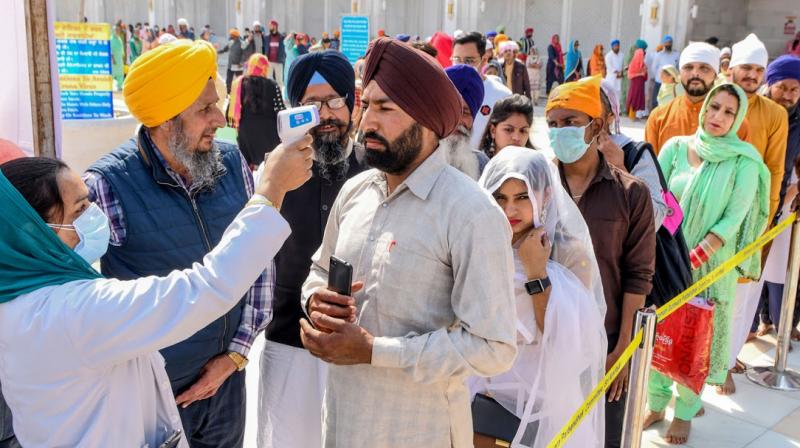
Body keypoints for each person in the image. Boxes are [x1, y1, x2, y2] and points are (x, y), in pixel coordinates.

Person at [0, 138, 310, 446]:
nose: (95, 215)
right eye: (80, 209)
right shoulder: (71, 312)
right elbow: (206, 287)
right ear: (32, 233)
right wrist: (271, 191)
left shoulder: (19, 301)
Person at [298, 37, 518, 447]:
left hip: (421, 430)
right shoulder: (356, 192)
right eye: (366, 106)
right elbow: (319, 270)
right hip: (343, 424)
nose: (365, 125)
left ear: (426, 121)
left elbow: (494, 347)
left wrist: (374, 351)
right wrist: (315, 301)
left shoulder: (470, 212)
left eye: (385, 109)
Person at [82, 40, 271, 447]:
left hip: (226, 384)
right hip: (152, 397)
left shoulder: (233, 162)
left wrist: (236, 355)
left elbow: (259, 261)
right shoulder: (107, 185)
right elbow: (80, 299)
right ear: (166, 120)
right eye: (204, 109)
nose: (219, 119)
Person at [644, 83, 770, 444]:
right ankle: (656, 401)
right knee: (660, 332)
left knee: (695, 340)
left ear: (739, 117)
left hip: (711, 268)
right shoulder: (676, 147)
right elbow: (655, 195)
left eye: (729, 112)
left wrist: (694, 257)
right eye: (714, 107)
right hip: (666, 260)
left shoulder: (743, 161)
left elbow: (734, 218)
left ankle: (685, 413)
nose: (718, 117)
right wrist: (668, 256)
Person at [258, 50, 367, 448]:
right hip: (288, 337)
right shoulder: (273, 171)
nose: (324, 115)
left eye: (334, 101)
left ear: (352, 105)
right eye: (311, 103)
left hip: (357, 342)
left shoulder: (375, 170)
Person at [545, 75, 656, 448]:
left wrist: (623, 348)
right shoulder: (538, 187)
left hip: (605, 338)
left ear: (597, 125)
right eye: (554, 125)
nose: (561, 132)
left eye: (571, 123)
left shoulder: (631, 194)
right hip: (546, 336)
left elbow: (638, 276)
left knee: (603, 433)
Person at [471, 148, 607, 448]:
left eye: (522, 198)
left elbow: (566, 341)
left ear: (544, 196)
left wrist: (536, 272)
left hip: (539, 405)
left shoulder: (568, 253)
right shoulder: (479, 246)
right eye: (500, 198)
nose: (510, 211)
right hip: (479, 393)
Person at [726, 35, 789, 391]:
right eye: (746, 67)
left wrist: (767, 215)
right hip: (713, 213)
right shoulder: (718, 102)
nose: (751, 74)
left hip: (753, 217)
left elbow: (775, 167)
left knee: (745, 292)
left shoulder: (775, 113)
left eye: (757, 69)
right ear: (732, 68)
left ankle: (726, 359)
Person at [755, 55, 800, 341]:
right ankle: (761, 320)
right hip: (755, 199)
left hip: (788, 200)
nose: (788, 94)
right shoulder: (754, 111)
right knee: (755, 267)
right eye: (782, 87)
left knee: (787, 264)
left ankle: (785, 322)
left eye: (795, 89)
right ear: (769, 84)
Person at [646, 42, 749, 154]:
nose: (695, 74)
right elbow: (649, 167)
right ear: (680, 73)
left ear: (715, 74)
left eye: (704, 68)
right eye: (688, 67)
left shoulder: (736, 123)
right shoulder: (658, 118)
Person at [599, 80, 669, 229]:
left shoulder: (634, 154)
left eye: (591, 110)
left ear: (610, 116)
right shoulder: (566, 156)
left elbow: (655, 218)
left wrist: (620, 169)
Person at [451, 32, 513, 150]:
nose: (462, 65)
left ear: (484, 60)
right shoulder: (444, 90)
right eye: (457, 59)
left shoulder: (502, 95)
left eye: (469, 60)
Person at [227, 54, 285, 167]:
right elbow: (281, 110)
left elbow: (231, 110)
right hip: (270, 133)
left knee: (246, 167)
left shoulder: (239, 83)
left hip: (246, 132)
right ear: (265, 67)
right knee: (270, 166)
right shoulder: (273, 84)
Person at [442, 64, 488, 179]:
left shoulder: (482, 165)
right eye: (451, 110)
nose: (457, 121)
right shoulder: (414, 160)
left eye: (465, 113)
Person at [650, 36, 680, 109]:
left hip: (671, 83)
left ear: (672, 43)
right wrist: (657, 76)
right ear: (663, 44)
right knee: (656, 101)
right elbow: (654, 68)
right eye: (666, 43)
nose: (668, 44)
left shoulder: (676, 55)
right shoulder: (659, 55)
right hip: (659, 81)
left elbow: (678, 68)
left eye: (669, 42)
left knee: (669, 101)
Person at [218, 28, 247, 93]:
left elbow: (244, 54)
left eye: (231, 35)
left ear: (235, 36)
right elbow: (225, 49)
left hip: (238, 66)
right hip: (230, 65)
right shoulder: (230, 42)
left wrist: (241, 63)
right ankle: (228, 93)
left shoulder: (242, 43)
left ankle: (241, 93)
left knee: (240, 81)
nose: (230, 36)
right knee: (228, 81)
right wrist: (218, 52)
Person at [626, 44, 648, 120]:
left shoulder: (642, 63)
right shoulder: (634, 63)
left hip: (640, 83)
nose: (643, 57)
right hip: (636, 83)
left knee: (638, 98)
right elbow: (630, 74)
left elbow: (645, 75)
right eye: (642, 55)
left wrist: (644, 72)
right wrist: (641, 73)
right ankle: (632, 115)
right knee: (634, 98)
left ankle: (635, 115)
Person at [265, 20, 287, 87]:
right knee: (269, 79)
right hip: (269, 61)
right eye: (269, 26)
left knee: (279, 80)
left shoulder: (282, 38)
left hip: (279, 61)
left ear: (275, 26)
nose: (270, 27)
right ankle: (270, 95)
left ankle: (280, 96)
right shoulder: (267, 37)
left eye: (271, 26)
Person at [605, 40, 625, 108]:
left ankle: (617, 109)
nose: (617, 47)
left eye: (618, 46)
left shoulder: (622, 55)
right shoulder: (608, 55)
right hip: (611, 77)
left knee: (618, 93)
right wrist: (617, 72)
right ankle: (609, 108)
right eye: (615, 46)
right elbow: (609, 67)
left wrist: (622, 71)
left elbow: (623, 65)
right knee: (610, 93)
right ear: (612, 47)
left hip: (619, 78)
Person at [524, 34, 542, 105]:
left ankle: (536, 100)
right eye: (532, 50)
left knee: (536, 88)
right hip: (530, 75)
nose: (533, 51)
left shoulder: (539, 57)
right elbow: (528, 65)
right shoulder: (528, 57)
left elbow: (539, 66)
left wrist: (533, 65)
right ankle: (531, 100)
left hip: (536, 75)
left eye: (534, 50)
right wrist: (535, 65)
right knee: (531, 88)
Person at [111, 21, 126, 91]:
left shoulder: (119, 39)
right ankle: (109, 86)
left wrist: (123, 56)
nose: (118, 31)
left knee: (120, 73)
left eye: (118, 30)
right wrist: (112, 58)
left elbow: (121, 47)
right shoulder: (111, 39)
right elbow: (110, 49)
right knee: (112, 73)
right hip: (114, 59)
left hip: (119, 58)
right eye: (116, 30)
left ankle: (119, 86)